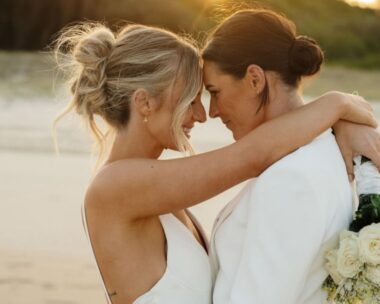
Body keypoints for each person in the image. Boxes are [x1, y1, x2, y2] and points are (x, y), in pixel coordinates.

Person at [54, 22, 378, 304]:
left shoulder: (158, 190)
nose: (201, 114)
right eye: (190, 99)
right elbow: (254, 156)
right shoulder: (114, 188)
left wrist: (341, 119)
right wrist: (338, 104)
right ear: (145, 102)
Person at [201, 8, 379, 304]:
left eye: (215, 91)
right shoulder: (327, 149)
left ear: (255, 79)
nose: (213, 111)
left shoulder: (290, 179)